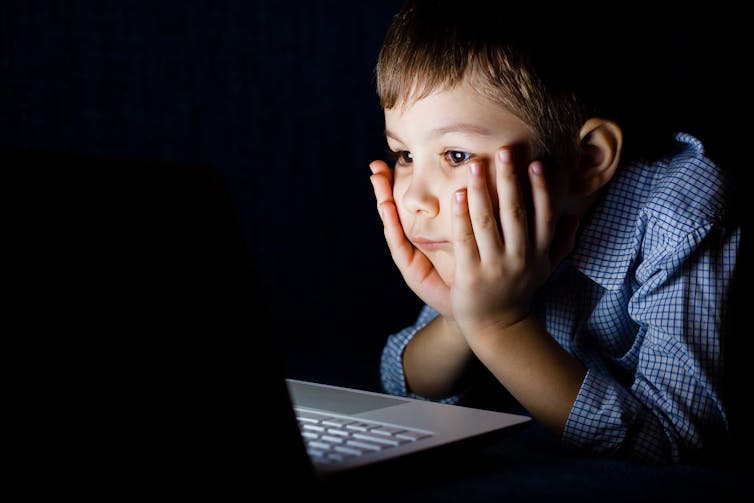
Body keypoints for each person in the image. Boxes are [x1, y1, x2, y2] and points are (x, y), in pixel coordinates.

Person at [368, 0, 741, 464]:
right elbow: (401, 383)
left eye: (456, 156)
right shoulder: (490, 239)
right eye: (404, 155)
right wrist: (460, 317)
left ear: (586, 161)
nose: (414, 199)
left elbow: (680, 446)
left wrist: (499, 325)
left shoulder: (680, 218)